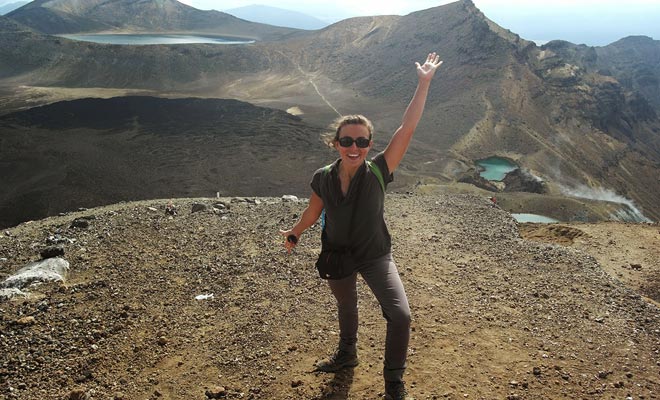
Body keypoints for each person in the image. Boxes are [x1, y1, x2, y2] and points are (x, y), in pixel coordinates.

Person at [279, 52, 442, 400]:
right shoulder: (322, 177)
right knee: (346, 305)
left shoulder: (380, 170)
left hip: (374, 255)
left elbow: (407, 128)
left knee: (400, 315)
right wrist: (295, 232)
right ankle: (347, 354)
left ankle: (393, 383)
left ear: (370, 145)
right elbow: (312, 212)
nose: (355, 147)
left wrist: (423, 83)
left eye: (362, 141)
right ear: (335, 143)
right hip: (337, 254)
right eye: (347, 141)